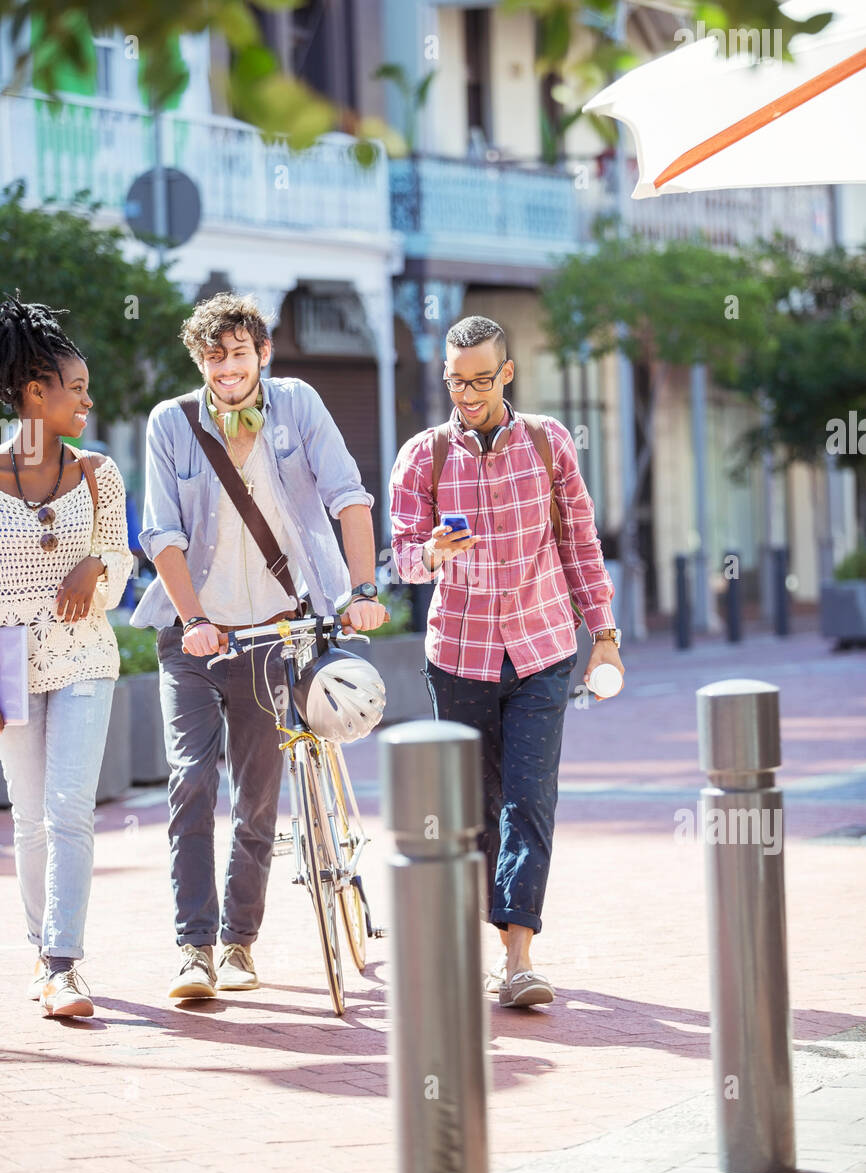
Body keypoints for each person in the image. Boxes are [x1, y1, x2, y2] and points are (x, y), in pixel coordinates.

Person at [132, 292, 387, 1002]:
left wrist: (361, 588)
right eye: (213, 356)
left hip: (280, 629)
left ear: (261, 355)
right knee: (191, 783)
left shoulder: (299, 405)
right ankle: (194, 950)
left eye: (238, 353)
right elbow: (163, 534)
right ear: (199, 361)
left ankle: (240, 942)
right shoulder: (171, 424)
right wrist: (192, 619)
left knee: (257, 797)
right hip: (197, 639)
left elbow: (347, 494)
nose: (226, 368)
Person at [389, 315, 624, 1008]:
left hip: (542, 648)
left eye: (482, 380)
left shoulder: (550, 445)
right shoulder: (422, 457)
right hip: (458, 657)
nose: (468, 393)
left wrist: (603, 633)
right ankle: (484, 940)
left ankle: (518, 956)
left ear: (508, 373)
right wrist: (432, 551)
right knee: (473, 809)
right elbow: (399, 558)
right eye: (457, 381)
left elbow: (581, 543)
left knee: (530, 798)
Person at [0, 296, 132, 1018]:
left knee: (68, 807)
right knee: (27, 814)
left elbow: (120, 554)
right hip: (7, 662)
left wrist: (95, 567)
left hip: (84, 655)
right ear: (33, 394)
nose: (87, 399)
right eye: (75, 388)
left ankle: (63, 964)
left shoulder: (96, 474)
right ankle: (39, 949)